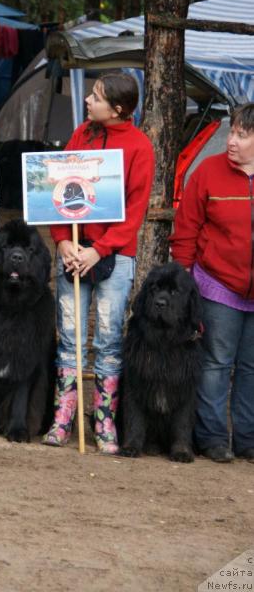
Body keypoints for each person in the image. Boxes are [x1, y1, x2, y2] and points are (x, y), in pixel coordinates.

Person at [42, 70, 155, 454]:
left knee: (108, 342)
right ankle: (63, 417)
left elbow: (134, 212)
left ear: (118, 109)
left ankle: (103, 421)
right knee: (70, 338)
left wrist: (100, 249)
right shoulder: (82, 135)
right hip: (74, 250)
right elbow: (58, 189)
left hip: (113, 258)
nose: (88, 100)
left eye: (96, 96)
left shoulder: (140, 147)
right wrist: (61, 242)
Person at [170, 103, 254, 464]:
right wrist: (184, 279)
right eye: (232, 132)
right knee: (217, 362)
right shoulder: (208, 171)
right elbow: (186, 229)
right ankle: (213, 438)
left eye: (242, 134)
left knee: (252, 367)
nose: (231, 140)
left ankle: (248, 439)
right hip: (218, 284)